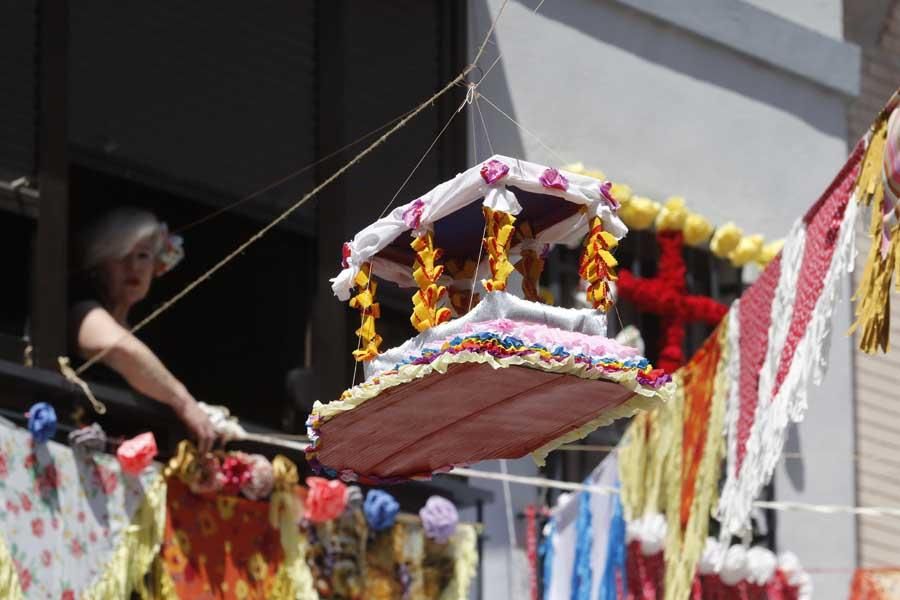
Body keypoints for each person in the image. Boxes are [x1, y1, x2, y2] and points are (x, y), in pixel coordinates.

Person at [69, 207, 217, 453]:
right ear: (98, 262)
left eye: (143, 256)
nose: (134, 267)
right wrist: (184, 402)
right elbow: (120, 349)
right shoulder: (82, 311)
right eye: (122, 255)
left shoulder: (145, 338)